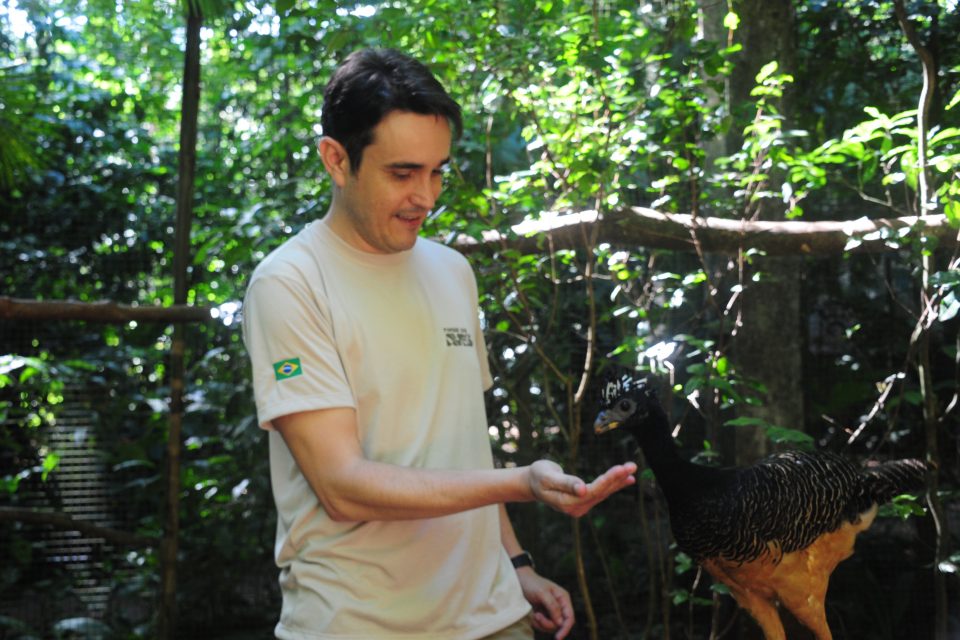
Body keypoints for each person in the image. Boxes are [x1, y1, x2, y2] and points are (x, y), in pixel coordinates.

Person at [242, 47, 637, 640]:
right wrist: (522, 481)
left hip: (493, 613)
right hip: (357, 622)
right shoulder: (290, 284)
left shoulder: (453, 270)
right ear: (336, 160)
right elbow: (341, 486)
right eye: (402, 173)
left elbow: (462, 441)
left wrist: (516, 563)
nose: (426, 196)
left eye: (437, 171)